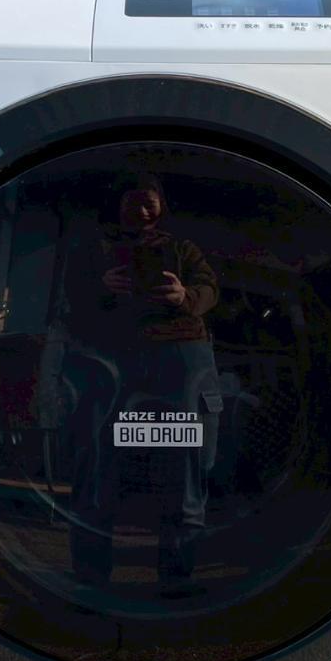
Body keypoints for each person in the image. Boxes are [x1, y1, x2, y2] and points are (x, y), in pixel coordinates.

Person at [55, 172, 221, 596]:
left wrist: (184, 296)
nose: (143, 211)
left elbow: (209, 288)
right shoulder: (94, 249)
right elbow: (72, 294)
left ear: (161, 205)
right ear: (117, 205)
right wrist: (102, 287)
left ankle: (176, 578)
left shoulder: (182, 249)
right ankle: (91, 579)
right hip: (112, 360)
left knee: (182, 464)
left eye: (150, 202)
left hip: (177, 361)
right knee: (98, 462)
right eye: (133, 202)